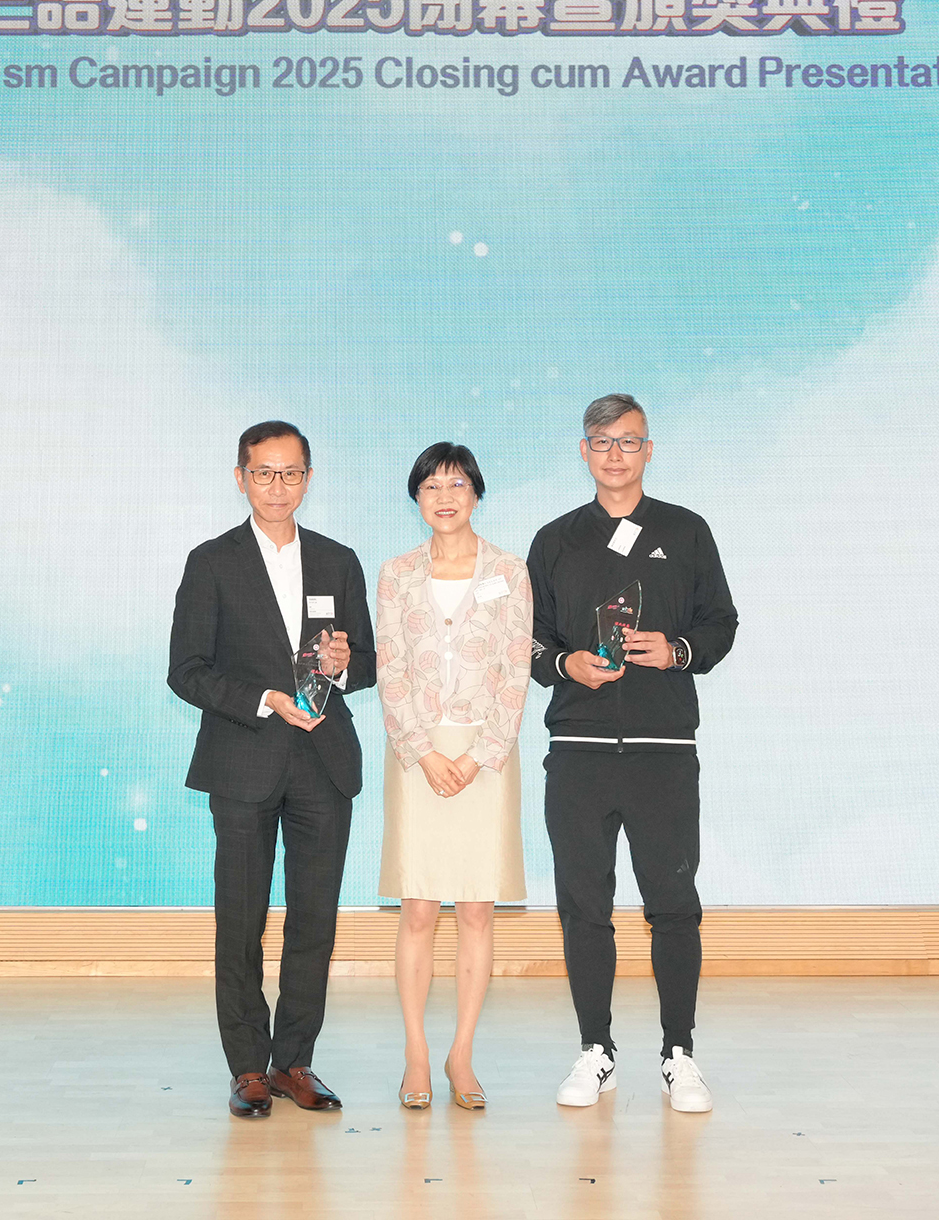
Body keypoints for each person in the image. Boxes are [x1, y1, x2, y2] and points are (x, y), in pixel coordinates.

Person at [526, 393, 737, 1113]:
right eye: (602, 441)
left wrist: (678, 651)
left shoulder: (687, 530)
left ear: (649, 449)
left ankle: (679, 1054)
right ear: (583, 451)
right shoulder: (555, 539)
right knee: (583, 906)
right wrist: (567, 665)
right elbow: (530, 640)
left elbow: (721, 623)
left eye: (629, 441)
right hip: (577, 751)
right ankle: (597, 1051)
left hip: (663, 749)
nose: (615, 454)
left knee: (673, 904)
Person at [167, 420, 375, 1118]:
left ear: (308, 479)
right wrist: (263, 699)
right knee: (241, 919)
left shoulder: (338, 560)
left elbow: (367, 662)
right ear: (241, 478)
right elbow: (186, 671)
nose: (278, 486)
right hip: (242, 759)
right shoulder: (211, 562)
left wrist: (343, 666)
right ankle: (247, 1068)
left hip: (323, 762)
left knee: (315, 919)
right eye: (264, 472)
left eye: (291, 473)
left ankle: (294, 1062)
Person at [373, 443, 533, 1112]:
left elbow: (516, 670)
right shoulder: (396, 574)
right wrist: (422, 750)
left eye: (458, 484)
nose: (445, 497)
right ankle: (416, 1053)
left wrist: (476, 756)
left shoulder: (509, 571)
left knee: (475, 908)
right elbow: (389, 667)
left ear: (477, 494)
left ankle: (460, 1054)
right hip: (417, 756)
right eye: (432, 486)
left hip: (484, 757)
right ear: (416, 497)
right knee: (417, 908)